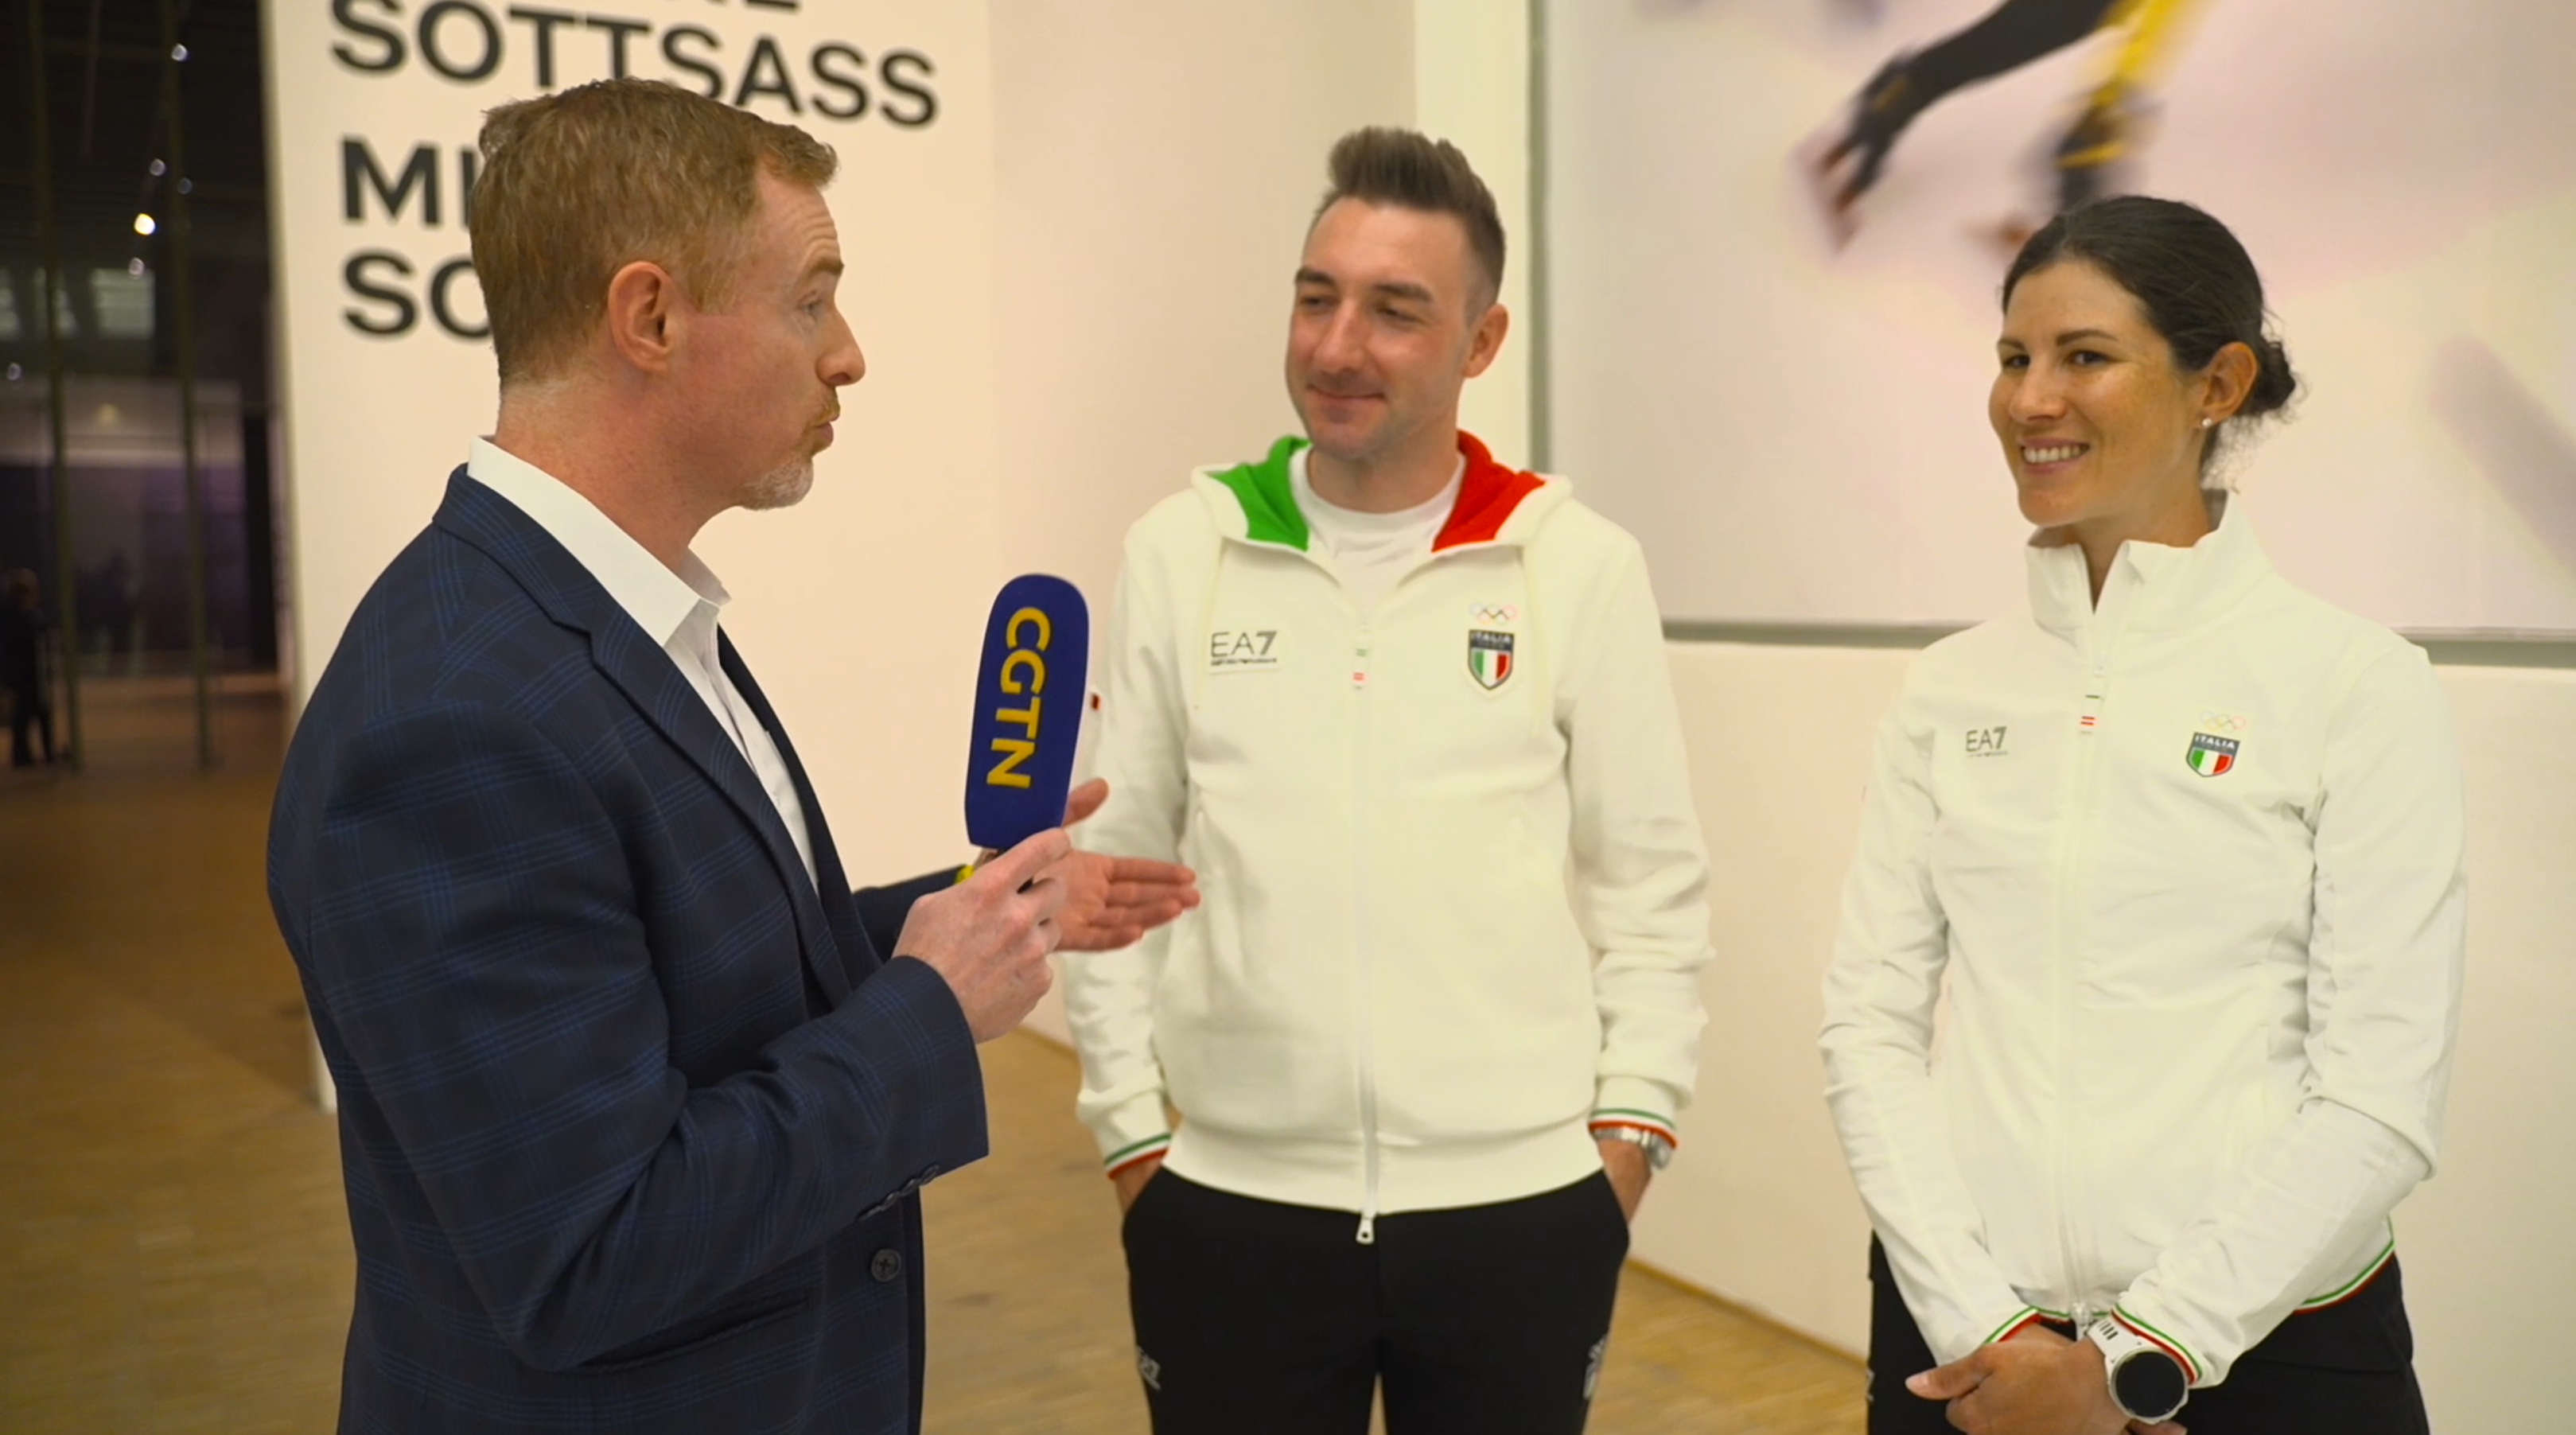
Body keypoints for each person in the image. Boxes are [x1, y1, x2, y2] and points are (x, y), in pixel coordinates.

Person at [266, 80, 1196, 1435]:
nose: (849, 354)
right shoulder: (453, 722)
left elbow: (690, 979)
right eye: (811, 299)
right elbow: (594, 1249)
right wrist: (932, 1004)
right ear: (649, 317)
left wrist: (975, 912)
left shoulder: (608, 621)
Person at [1063, 127, 1716, 1435]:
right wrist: (1135, 1137)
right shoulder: (1181, 548)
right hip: (1229, 1207)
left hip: (1520, 1212)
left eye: (1393, 310)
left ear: (1481, 341)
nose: (1336, 345)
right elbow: (1108, 871)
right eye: (1316, 297)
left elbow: (1650, 884)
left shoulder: (1573, 564)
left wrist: (1625, 1145)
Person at [1819, 195, 2463, 1435]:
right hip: (1966, 1340)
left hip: (2267, 1347)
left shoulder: (2355, 683)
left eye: (2084, 356)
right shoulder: (1947, 690)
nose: (2029, 400)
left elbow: (2379, 1094)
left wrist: (2133, 1356)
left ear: (2216, 384)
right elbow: (1867, 1028)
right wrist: (1984, 1326)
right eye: (2012, 357)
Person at [1809, 0, 2207, 243]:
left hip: (2087, 15)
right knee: (1970, 56)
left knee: (1975, 55)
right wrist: (2120, 88)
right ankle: (1875, 119)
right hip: (2078, 11)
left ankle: (1876, 118)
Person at [3, 568, 56, 768]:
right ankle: (23, 756)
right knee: (23, 716)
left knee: (39, 714)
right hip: (23, 675)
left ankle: (43, 753)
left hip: (34, 674)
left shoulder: (31, 616)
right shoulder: (14, 618)